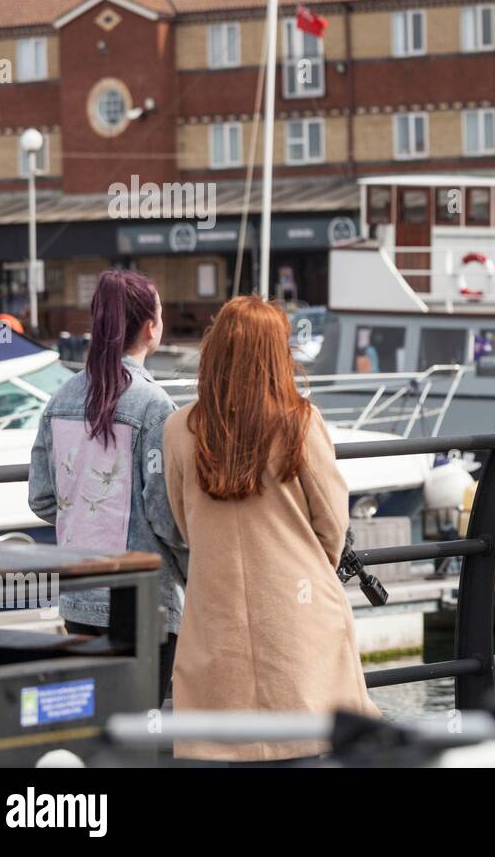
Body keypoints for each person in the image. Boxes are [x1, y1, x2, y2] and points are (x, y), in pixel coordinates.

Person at [162, 295, 380, 763]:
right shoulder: (300, 421)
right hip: (297, 614)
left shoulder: (179, 429)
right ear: (275, 354)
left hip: (215, 612)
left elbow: (183, 522)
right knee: (309, 741)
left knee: (219, 745)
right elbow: (332, 519)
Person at [28, 269, 185, 705]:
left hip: (77, 594)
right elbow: (164, 514)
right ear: (151, 327)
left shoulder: (60, 399)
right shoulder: (154, 405)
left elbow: (42, 497)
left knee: (95, 725)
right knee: (139, 724)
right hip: (144, 598)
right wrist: (196, 566)